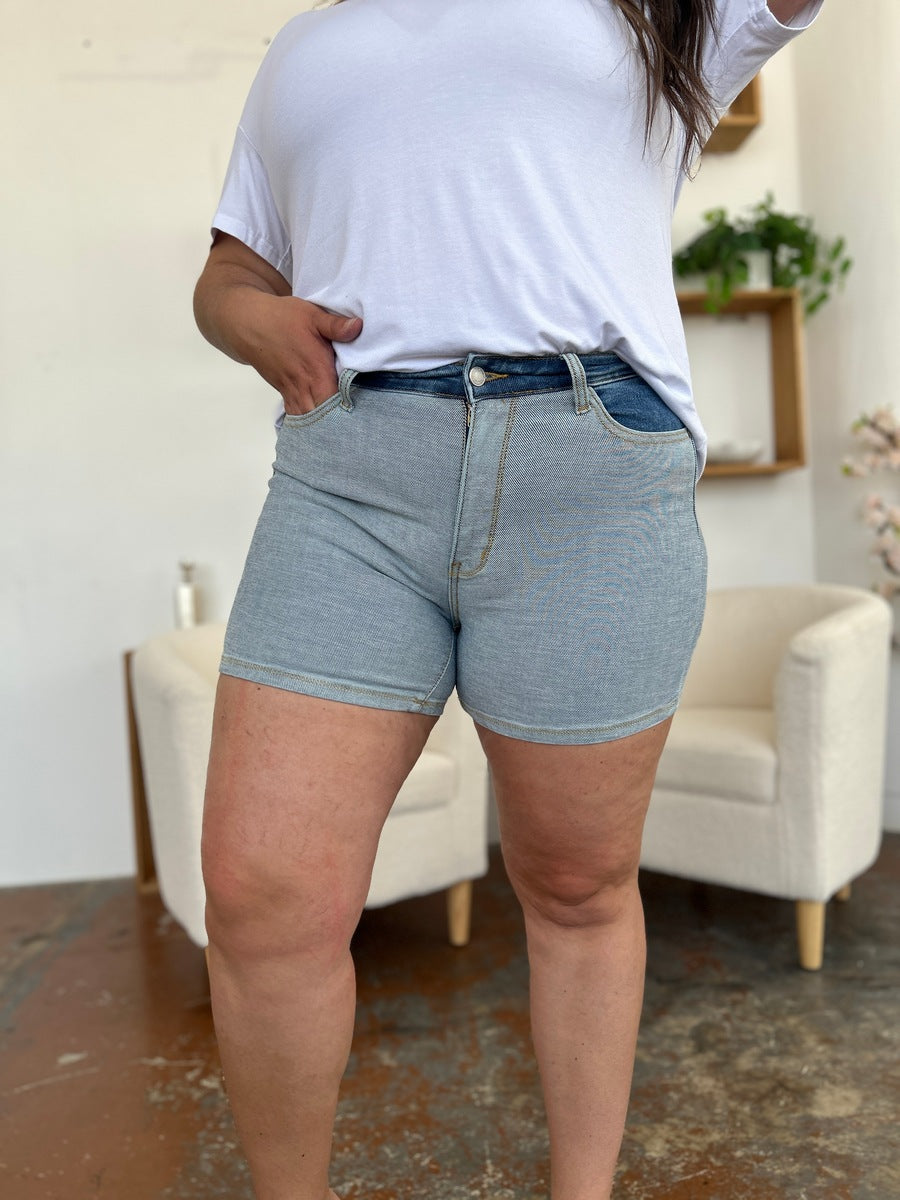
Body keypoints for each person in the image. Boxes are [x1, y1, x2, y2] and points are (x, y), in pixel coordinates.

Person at [192, 1, 824, 1197]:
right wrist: (251, 321)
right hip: (351, 479)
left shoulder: (656, 15)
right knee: (261, 893)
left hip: (586, 473)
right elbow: (229, 271)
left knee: (578, 884)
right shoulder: (305, 46)